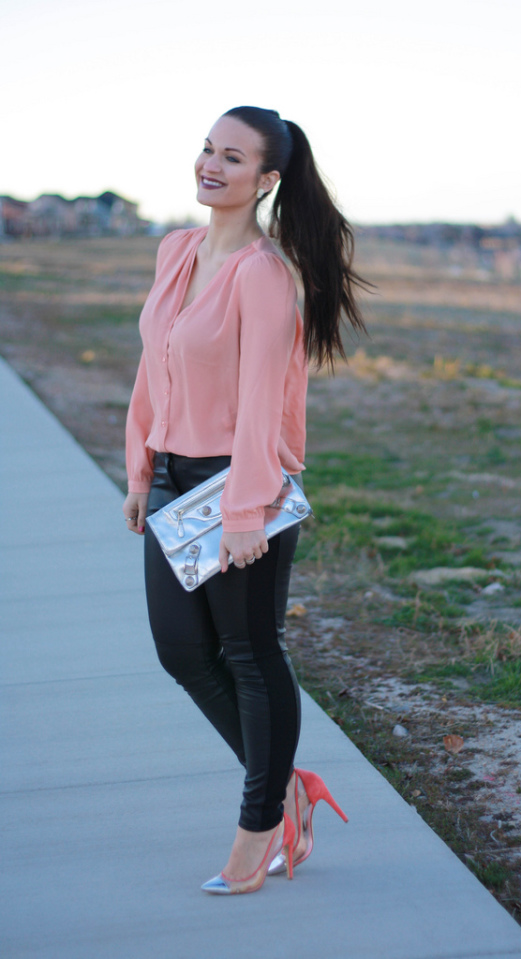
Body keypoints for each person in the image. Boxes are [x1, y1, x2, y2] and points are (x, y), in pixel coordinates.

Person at [123, 106, 368, 895]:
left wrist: (245, 514)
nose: (209, 164)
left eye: (232, 157)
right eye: (206, 148)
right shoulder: (177, 250)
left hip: (239, 482)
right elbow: (152, 366)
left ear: (265, 180)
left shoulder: (263, 274)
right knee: (180, 649)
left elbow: (265, 400)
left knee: (251, 654)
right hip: (171, 478)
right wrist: (139, 469)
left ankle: (258, 827)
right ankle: (289, 788)